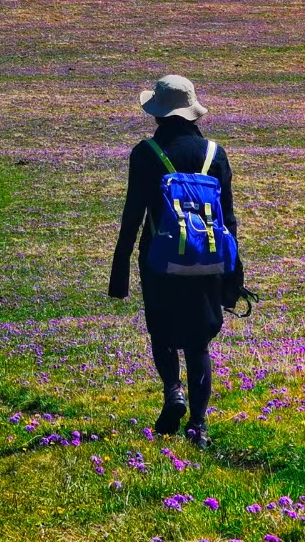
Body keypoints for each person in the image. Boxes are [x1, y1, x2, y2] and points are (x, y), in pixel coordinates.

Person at [108, 74, 237, 449]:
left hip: (159, 259)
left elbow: (132, 215)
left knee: (162, 333)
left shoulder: (146, 153)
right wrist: (233, 275)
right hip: (209, 259)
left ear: (159, 115)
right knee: (199, 344)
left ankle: (173, 392)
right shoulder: (216, 153)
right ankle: (200, 426)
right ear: (193, 112)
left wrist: (120, 274)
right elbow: (228, 219)